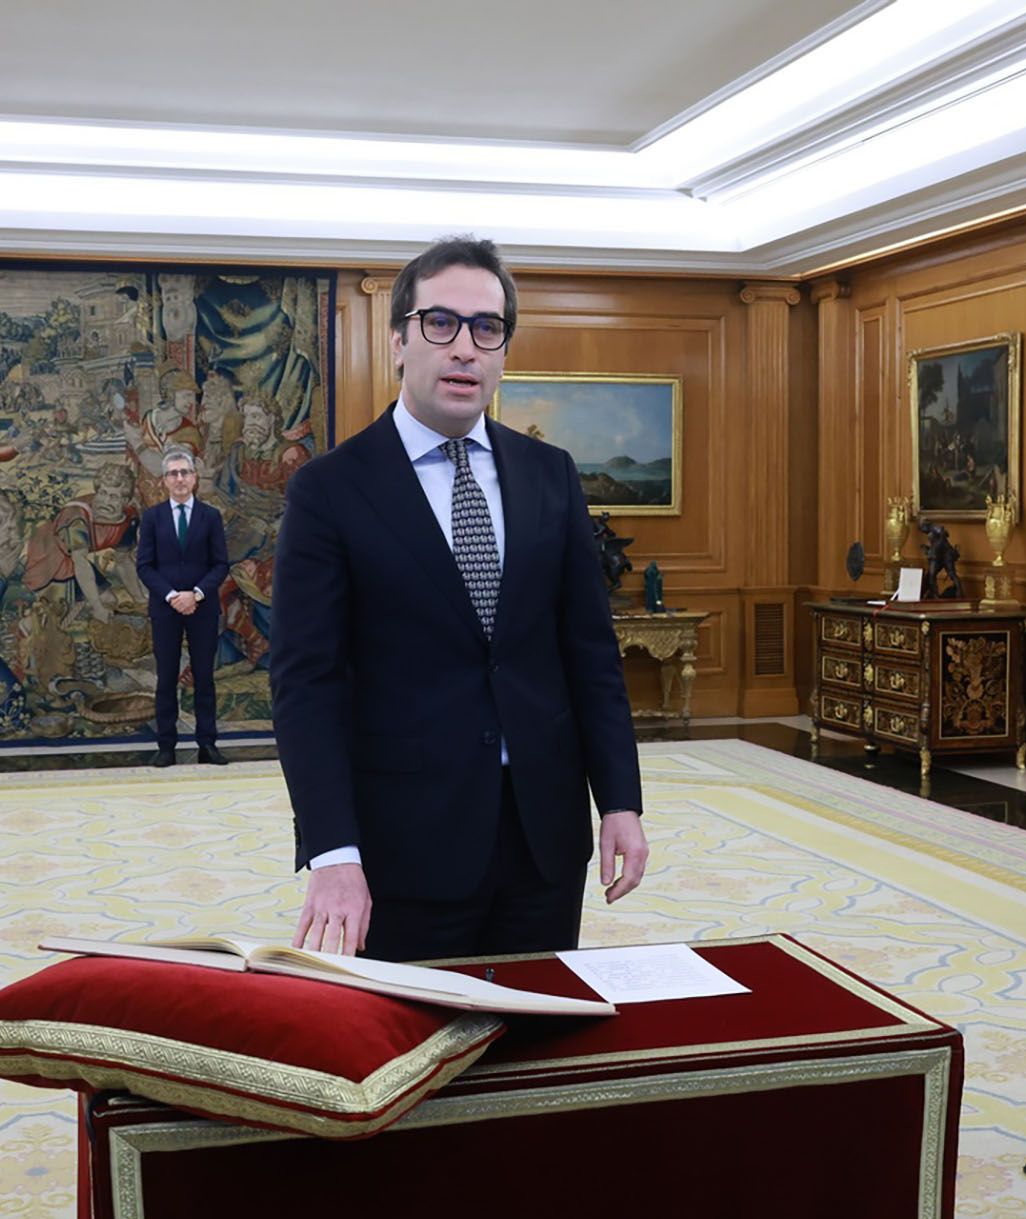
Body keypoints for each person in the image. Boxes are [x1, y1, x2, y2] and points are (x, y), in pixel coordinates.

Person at [270, 235, 648, 962]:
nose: (465, 347)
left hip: (544, 842)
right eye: (441, 323)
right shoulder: (330, 490)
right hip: (402, 849)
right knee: (412, 1059)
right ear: (399, 341)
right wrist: (331, 852)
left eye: (487, 327)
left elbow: (590, 653)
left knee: (534, 1050)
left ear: (504, 349)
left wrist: (621, 802)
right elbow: (306, 686)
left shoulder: (550, 473)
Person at [136, 447, 230, 767]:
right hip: (166, 610)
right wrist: (173, 596)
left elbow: (220, 564)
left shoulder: (211, 517)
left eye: (184, 472)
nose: (179, 478)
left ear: (194, 478)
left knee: (204, 677)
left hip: (202, 609)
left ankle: (208, 744)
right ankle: (166, 746)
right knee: (166, 677)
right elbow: (145, 566)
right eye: (173, 473)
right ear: (164, 481)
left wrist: (197, 595)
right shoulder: (152, 518)